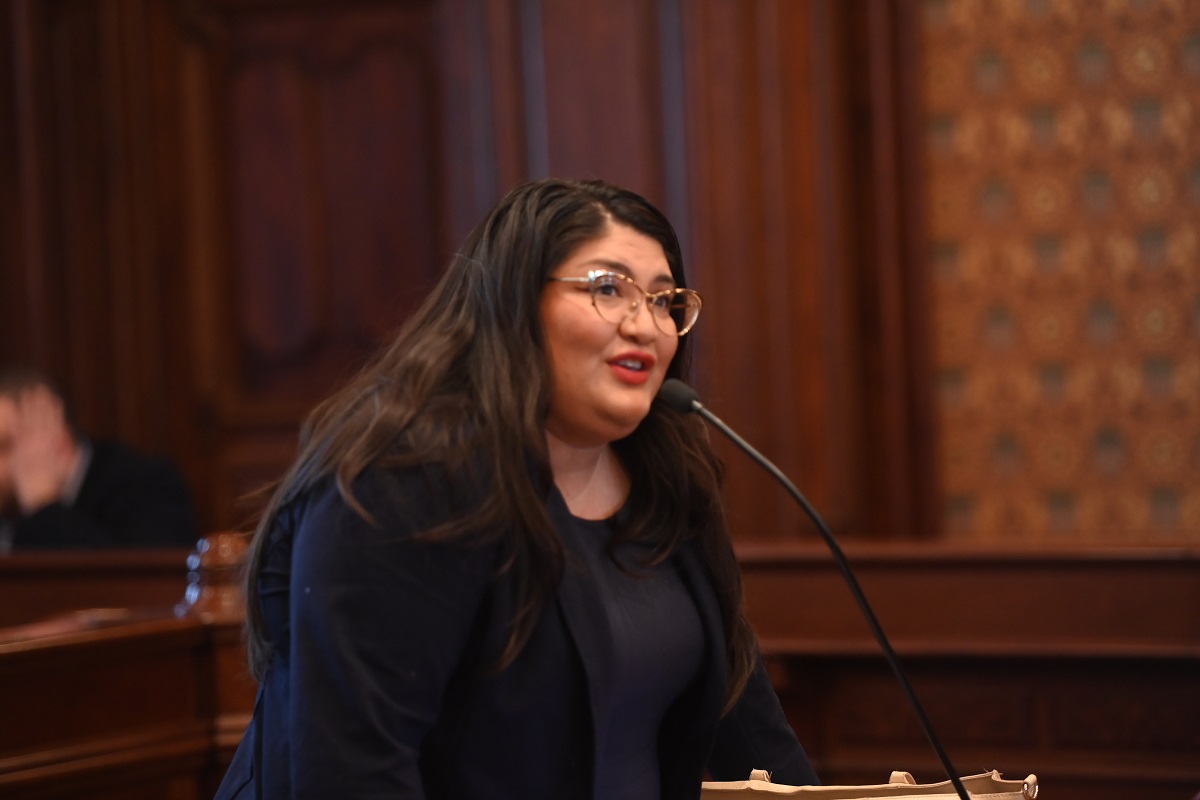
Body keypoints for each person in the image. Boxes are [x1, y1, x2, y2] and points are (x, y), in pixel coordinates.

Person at [214, 178, 819, 799]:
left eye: (666, 301)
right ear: (512, 303)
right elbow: (355, 766)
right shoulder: (402, 480)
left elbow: (745, 718)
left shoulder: (671, 475)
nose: (646, 325)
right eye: (608, 289)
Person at [0, 369, 199, 551]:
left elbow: (132, 581)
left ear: (55, 441)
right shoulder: (9, 510)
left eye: (2, 447)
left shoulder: (149, 485)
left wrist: (43, 505)